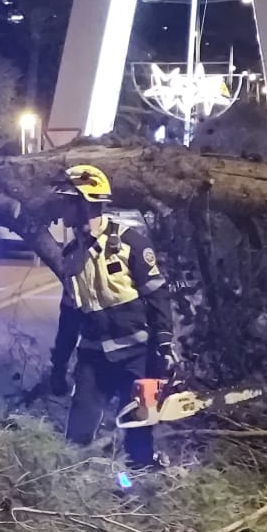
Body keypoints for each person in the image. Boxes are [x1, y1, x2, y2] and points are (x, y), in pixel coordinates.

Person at [46, 164, 174, 468]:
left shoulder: (131, 244)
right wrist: (59, 366)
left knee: (138, 435)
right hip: (93, 357)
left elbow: (157, 297)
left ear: (86, 203)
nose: (62, 208)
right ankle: (73, 493)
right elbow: (69, 318)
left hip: (137, 356)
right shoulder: (71, 256)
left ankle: (142, 493)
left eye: (68, 201)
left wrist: (165, 346)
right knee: (77, 434)